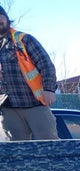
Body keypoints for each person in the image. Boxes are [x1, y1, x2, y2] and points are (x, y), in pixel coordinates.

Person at [0, 5, 58, 140]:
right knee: (17, 151)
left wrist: (49, 89)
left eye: (0, 18)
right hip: (8, 108)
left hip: (34, 104)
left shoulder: (23, 39)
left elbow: (46, 64)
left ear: (7, 19)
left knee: (48, 144)